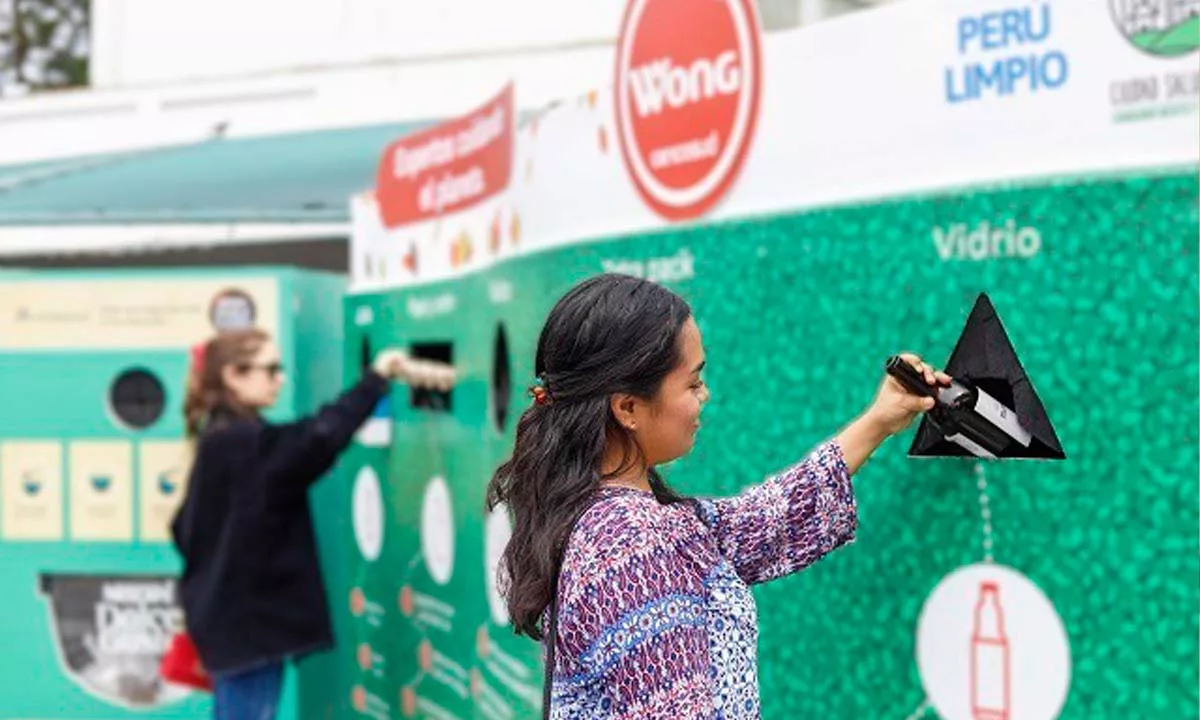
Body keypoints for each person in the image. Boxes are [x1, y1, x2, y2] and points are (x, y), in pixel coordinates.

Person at [486, 274, 950, 720]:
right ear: (627, 407)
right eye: (692, 382)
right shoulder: (632, 545)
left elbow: (762, 520)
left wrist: (879, 420)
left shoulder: (610, 519)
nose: (704, 395)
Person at [170, 328, 451, 719]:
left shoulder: (220, 439)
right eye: (270, 369)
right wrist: (374, 381)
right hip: (246, 630)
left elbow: (182, 529)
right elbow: (317, 439)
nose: (280, 379)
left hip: (227, 624)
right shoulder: (242, 443)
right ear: (234, 375)